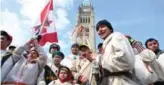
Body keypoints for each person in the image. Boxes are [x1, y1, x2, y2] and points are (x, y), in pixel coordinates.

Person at [96, 19, 141, 85]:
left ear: (110, 29)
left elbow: (124, 60)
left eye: (102, 26)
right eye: (97, 29)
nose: (99, 30)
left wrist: (99, 58)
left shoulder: (116, 36)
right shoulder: (106, 45)